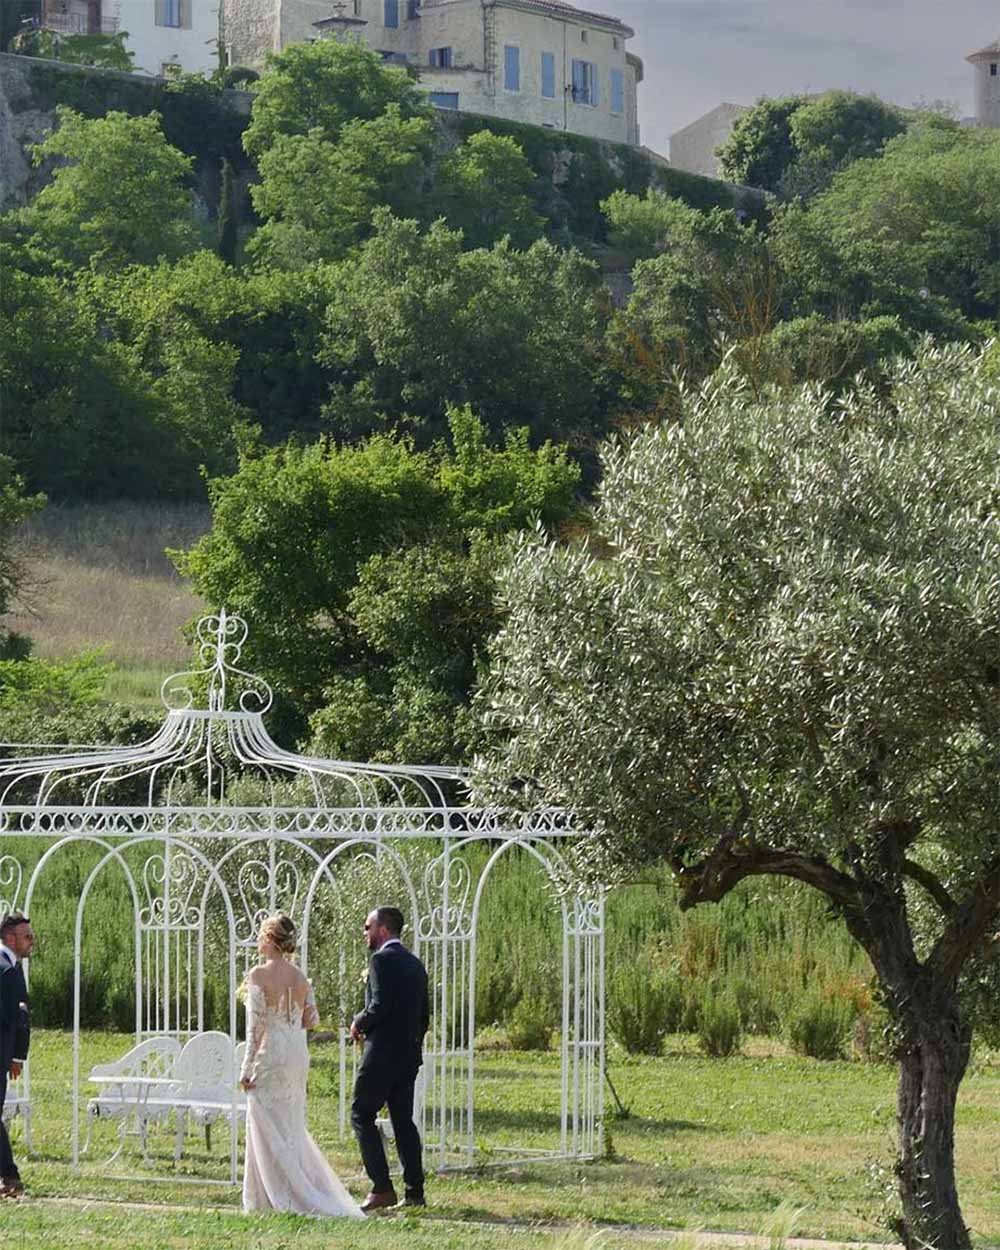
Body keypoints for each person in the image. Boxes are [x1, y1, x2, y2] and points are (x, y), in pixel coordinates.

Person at [239, 914, 362, 1218]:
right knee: (291, 1124)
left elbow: (255, 1027)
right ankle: (297, 1186)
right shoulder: (300, 977)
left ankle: (271, 1195)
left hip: (272, 1051)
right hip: (296, 1050)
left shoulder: (258, 975)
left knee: (264, 1119)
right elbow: (312, 1020)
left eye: (260, 935)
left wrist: (246, 1067)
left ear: (269, 939)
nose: (257, 941)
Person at [350, 905, 430, 1213]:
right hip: (408, 1055)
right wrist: (411, 1045)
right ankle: (415, 1191)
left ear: (383, 929)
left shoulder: (381, 960)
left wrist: (359, 1022)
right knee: (403, 1122)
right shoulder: (415, 963)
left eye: (368, 926)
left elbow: (379, 1006)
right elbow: (424, 1015)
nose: (365, 932)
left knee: (361, 1113)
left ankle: (382, 1188)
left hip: (381, 1054)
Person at [0, 913, 33, 1201]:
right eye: (27, 937)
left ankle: (10, 1176)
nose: (31, 942)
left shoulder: (12, 967)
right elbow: (19, 1017)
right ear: (10, 938)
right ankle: (10, 1176)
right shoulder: (7, 970)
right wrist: (17, 1055)